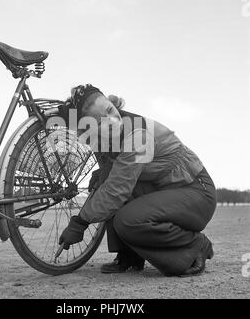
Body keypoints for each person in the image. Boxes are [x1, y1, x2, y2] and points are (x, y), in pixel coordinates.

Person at [57, 84, 216, 277]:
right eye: (99, 122)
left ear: (112, 103)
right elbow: (113, 177)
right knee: (105, 182)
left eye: (109, 110)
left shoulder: (137, 136)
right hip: (165, 191)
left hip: (196, 192)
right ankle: (130, 257)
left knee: (128, 220)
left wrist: (80, 222)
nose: (111, 121)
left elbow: (116, 190)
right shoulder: (103, 138)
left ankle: (195, 244)